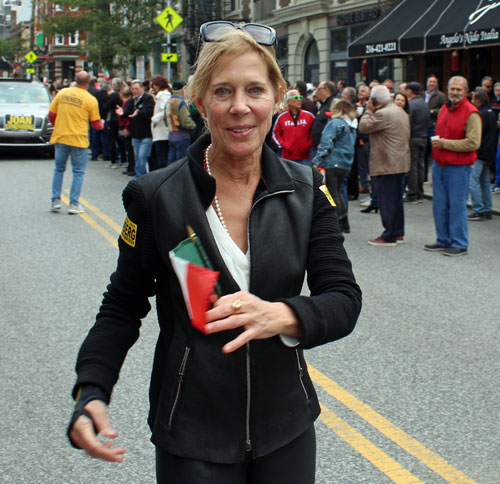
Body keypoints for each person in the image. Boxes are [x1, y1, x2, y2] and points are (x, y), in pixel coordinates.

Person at [67, 21, 361, 484]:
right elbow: (123, 305)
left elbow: (342, 299)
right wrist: (92, 389)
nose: (240, 107)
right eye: (223, 91)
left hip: (286, 426)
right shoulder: (156, 196)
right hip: (192, 433)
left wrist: (283, 315)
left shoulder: (308, 190)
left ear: (277, 98)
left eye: (255, 90)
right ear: (200, 102)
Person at [426, 76, 481, 257]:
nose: (455, 92)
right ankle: (443, 240)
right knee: (440, 205)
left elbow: (473, 143)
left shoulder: (471, 113)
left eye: (459, 89)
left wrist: (445, 144)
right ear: (448, 90)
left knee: (456, 206)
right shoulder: (444, 108)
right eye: (452, 89)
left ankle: (459, 243)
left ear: (466, 91)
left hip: (459, 166)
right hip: (440, 164)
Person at [359, 85, 410, 246]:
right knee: (395, 200)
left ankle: (389, 236)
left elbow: (363, 127)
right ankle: (398, 232)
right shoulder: (399, 110)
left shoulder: (383, 113)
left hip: (387, 163)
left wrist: (368, 110)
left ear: (374, 100)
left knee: (387, 200)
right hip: (399, 161)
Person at [49, 71, 103, 214]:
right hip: (79, 139)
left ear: (75, 80)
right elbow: (96, 124)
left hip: (61, 136)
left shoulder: (62, 93)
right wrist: (102, 125)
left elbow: (51, 114)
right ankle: (74, 204)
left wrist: (58, 125)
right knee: (78, 172)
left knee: (59, 169)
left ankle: (55, 200)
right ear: (89, 82)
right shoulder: (90, 99)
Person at [312, 98, 357, 233]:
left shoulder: (335, 123)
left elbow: (326, 143)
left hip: (333, 162)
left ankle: (335, 222)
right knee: (338, 192)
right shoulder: (350, 126)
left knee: (331, 193)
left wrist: (317, 160)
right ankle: (344, 222)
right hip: (345, 164)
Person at [468, 89, 497, 220]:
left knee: (473, 181)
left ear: (478, 100)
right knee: (484, 182)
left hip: (479, 153)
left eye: (473, 99)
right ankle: (487, 209)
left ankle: (478, 209)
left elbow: (477, 134)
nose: (472, 101)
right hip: (489, 153)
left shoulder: (480, 114)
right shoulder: (491, 112)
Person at [116, 79, 155, 179]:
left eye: (137, 89)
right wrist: (122, 113)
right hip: (135, 134)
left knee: (142, 156)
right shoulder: (131, 100)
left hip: (146, 133)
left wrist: (139, 112)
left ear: (142, 88)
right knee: (137, 156)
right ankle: (140, 175)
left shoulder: (148, 98)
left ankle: (140, 176)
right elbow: (127, 112)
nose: (134, 91)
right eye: (133, 89)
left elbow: (149, 112)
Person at [272, 89, 315, 165]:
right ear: (288, 101)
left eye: (300, 97)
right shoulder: (281, 117)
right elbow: (275, 133)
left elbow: (315, 133)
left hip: (305, 157)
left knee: (305, 176)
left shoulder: (309, 116)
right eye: (296, 97)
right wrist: (283, 145)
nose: (299, 100)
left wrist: (308, 144)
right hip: (286, 157)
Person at [405, 82, 430, 203]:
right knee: (420, 164)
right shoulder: (425, 104)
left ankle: (413, 193)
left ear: (410, 91)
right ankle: (420, 192)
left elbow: (408, 122)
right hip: (424, 136)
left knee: (413, 166)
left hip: (413, 137)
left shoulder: (411, 104)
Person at [166, 81, 196, 164]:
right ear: (183, 89)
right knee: (181, 163)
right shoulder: (180, 102)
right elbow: (186, 121)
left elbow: (165, 119)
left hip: (171, 134)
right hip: (182, 135)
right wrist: (193, 127)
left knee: (171, 162)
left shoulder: (169, 101)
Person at [150, 74, 172, 170]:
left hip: (162, 132)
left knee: (161, 157)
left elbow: (165, 110)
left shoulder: (163, 96)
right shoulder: (163, 95)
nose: (153, 87)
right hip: (161, 131)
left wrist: (155, 119)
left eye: (154, 85)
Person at [104, 77, 125, 169]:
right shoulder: (122, 94)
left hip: (113, 119)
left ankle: (114, 160)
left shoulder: (113, 95)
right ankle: (123, 159)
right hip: (120, 119)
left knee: (112, 140)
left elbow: (106, 106)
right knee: (121, 140)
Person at [311, 80, 337, 149]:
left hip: (326, 148)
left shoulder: (333, 104)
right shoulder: (324, 104)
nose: (316, 92)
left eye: (319, 89)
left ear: (326, 90)